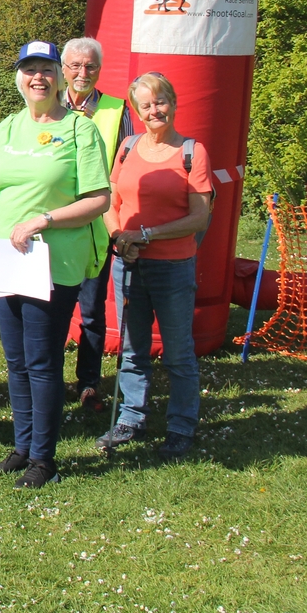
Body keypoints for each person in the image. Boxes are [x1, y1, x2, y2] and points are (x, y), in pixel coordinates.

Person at [0, 41, 110, 489]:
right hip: (6, 260)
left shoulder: (79, 131)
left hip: (52, 263)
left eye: (47, 69)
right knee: (16, 360)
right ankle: (23, 446)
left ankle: (44, 459)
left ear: (60, 77)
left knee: (43, 361)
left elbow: (98, 200)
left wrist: (43, 220)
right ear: (20, 79)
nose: (38, 78)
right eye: (30, 70)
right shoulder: (9, 127)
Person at [96, 72, 213, 460]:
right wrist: (118, 238)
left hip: (172, 267)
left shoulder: (191, 152)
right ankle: (131, 417)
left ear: (174, 103)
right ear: (137, 111)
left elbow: (199, 217)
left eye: (160, 101)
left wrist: (146, 235)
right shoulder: (127, 147)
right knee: (132, 349)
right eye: (145, 105)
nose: (154, 110)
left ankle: (181, 426)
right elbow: (111, 202)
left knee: (178, 352)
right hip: (128, 264)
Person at [61, 37, 134, 410]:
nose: (81, 73)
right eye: (74, 66)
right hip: (52, 226)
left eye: (89, 66)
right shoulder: (44, 105)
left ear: (99, 70)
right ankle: (48, 380)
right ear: (63, 69)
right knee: (49, 309)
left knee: (90, 310)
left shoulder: (116, 110)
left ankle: (88, 383)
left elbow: (123, 171)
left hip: (94, 228)